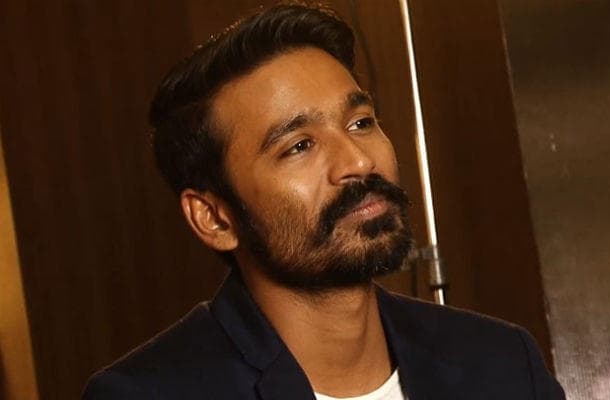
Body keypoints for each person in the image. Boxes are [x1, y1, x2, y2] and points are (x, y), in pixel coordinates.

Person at [83, 3, 565, 399]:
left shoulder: (500, 363)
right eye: (299, 146)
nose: (358, 160)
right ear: (214, 218)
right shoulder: (148, 394)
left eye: (361, 123)